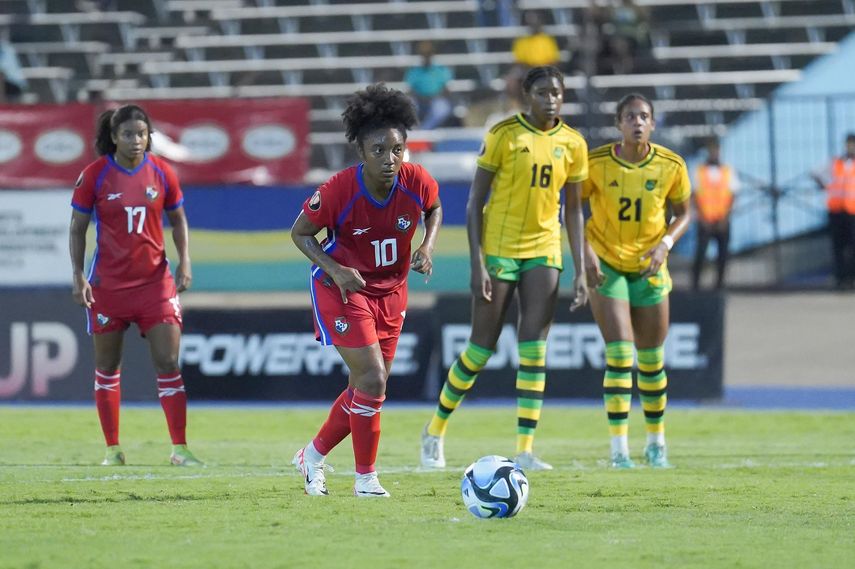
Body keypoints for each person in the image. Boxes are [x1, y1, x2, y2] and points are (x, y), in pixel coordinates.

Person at [421, 65, 589, 471]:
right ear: (526, 97)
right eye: (543, 92)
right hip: (499, 248)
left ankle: (525, 449)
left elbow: (575, 212)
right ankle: (434, 430)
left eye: (557, 92)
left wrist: (580, 267)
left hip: (544, 249)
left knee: (534, 346)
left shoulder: (574, 143)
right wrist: (476, 262)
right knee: (481, 348)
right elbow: (474, 201)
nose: (551, 99)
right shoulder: (503, 135)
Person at [290, 83, 442, 497]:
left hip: (392, 292)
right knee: (373, 378)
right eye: (378, 150)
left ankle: (312, 456)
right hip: (343, 288)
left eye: (396, 149)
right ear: (360, 151)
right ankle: (365, 478)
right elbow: (300, 234)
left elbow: (434, 208)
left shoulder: (417, 180)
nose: (389, 159)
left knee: (368, 387)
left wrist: (426, 246)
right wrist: (335, 269)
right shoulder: (339, 189)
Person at [69, 104, 202, 467]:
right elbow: (77, 228)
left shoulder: (162, 172)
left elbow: (179, 219)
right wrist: (79, 275)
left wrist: (185, 259)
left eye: (142, 134)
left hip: (155, 284)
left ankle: (180, 448)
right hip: (108, 287)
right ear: (113, 138)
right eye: (128, 134)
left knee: (168, 361)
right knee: (108, 367)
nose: (136, 140)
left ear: (149, 136)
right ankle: (112, 449)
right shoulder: (94, 176)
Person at [582, 93, 691, 469]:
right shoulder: (595, 164)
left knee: (651, 359)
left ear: (653, 124)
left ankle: (656, 443)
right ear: (619, 124)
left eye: (644, 116)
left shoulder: (671, 164)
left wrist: (664, 245)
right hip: (607, 265)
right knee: (620, 354)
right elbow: (565, 208)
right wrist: (586, 253)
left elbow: (684, 214)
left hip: (650, 264)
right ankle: (619, 449)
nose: (638, 122)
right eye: (630, 116)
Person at [691, 137, 739, 290]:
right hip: (704, 220)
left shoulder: (727, 171)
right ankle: (696, 286)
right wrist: (701, 217)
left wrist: (726, 217)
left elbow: (733, 195)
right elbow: (694, 195)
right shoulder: (699, 171)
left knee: (723, 256)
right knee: (700, 254)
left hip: (722, 220)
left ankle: (719, 285)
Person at [813, 133, 855, 290]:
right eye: (848, 144)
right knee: (838, 246)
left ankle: (852, 277)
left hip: (853, 211)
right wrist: (823, 186)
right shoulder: (835, 163)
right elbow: (815, 173)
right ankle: (841, 278)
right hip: (837, 210)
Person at [404, 40, 454, 130]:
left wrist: (434, 96)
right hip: (419, 100)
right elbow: (409, 90)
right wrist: (420, 97)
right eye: (423, 53)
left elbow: (446, 90)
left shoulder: (441, 69)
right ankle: (414, 130)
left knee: (442, 108)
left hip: (435, 100)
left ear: (432, 54)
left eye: (428, 53)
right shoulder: (414, 70)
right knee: (408, 104)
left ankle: (424, 130)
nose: (426, 56)